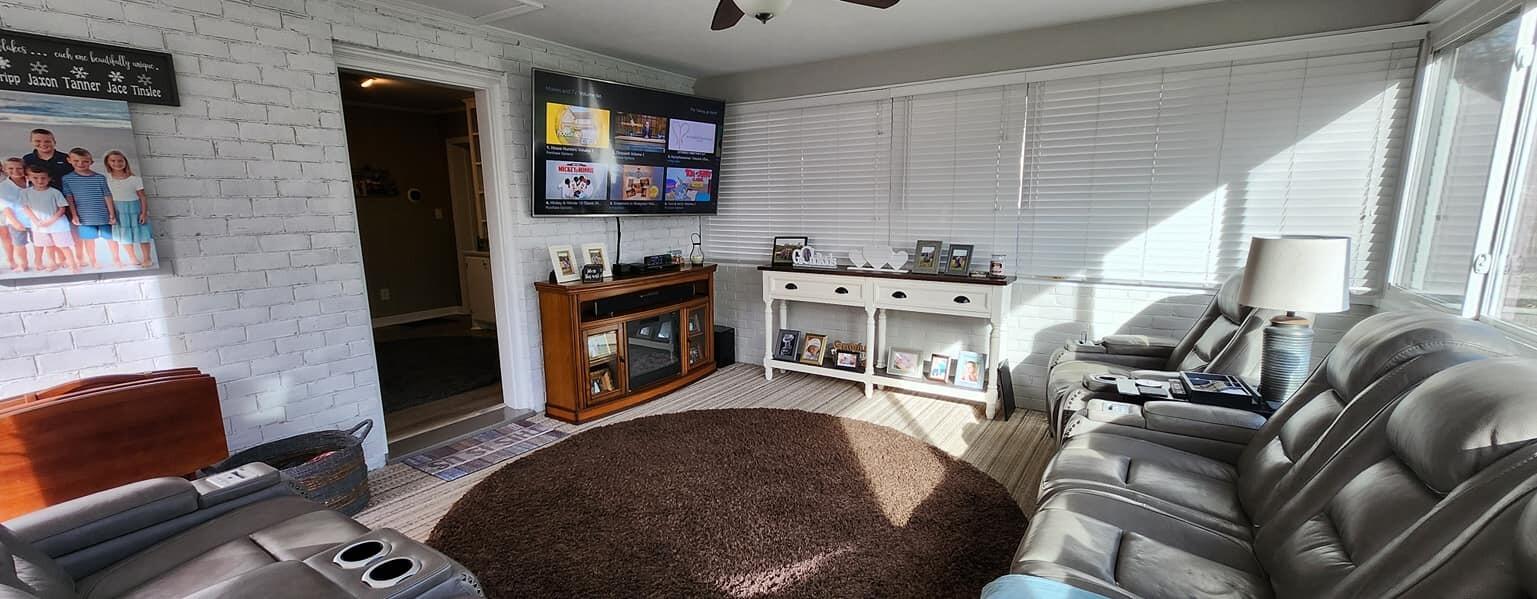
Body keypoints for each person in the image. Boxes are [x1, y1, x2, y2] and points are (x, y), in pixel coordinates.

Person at [61, 148, 114, 269]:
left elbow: (107, 195)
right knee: (89, 240)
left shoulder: (100, 178)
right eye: (76, 161)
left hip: (103, 214)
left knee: (111, 238)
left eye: (85, 161)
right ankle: (93, 260)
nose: (80, 164)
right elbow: (69, 198)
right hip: (84, 216)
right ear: (69, 160)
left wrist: (112, 213)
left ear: (91, 162)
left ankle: (116, 259)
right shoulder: (67, 179)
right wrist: (74, 215)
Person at [19, 166, 76, 273]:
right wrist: (36, 221)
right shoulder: (25, 193)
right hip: (39, 225)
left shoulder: (55, 192)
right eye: (35, 178)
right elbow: (25, 208)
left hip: (58, 225)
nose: (40, 180)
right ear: (28, 178)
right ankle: (52, 263)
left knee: (63, 246)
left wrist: (50, 221)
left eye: (43, 178)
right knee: (48, 245)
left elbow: (62, 208)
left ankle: (72, 264)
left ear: (49, 178)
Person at [102, 150, 153, 268]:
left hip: (135, 209)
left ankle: (147, 258)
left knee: (142, 234)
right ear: (108, 163)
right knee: (124, 235)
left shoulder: (135, 179)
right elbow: (107, 197)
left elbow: (142, 197)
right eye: (113, 161)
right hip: (118, 210)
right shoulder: (106, 179)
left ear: (125, 162)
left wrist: (144, 213)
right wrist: (111, 213)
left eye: (120, 160)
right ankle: (132, 257)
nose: (117, 163)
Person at [1, 158, 30, 272]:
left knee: (40, 242)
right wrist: (15, 222)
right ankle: (22, 263)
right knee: (18, 243)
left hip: (34, 219)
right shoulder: (3, 186)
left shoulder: (31, 181)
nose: (15, 171)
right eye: (11, 168)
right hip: (15, 219)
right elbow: (6, 207)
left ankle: (40, 262)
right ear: (4, 169)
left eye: (19, 168)